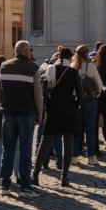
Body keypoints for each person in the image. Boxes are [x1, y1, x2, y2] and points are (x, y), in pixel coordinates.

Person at [0, 40, 43, 195]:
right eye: (30, 50)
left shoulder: (4, 66)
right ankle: (25, 185)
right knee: (25, 150)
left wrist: (2, 106)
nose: (31, 52)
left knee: (7, 149)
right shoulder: (32, 68)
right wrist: (40, 112)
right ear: (25, 52)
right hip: (26, 113)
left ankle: (4, 184)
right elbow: (38, 94)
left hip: (8, 113)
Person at [34, 46, 81, 187]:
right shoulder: (73, 72)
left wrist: (46, 108)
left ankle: (35, 175)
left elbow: (45, 91)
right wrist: (76, 106)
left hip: (53, 110)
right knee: (68, 145)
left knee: (45, 143)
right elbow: (80, 94)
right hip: (68, 110)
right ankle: (64, 177)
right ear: (70, 57)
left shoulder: (50, 69)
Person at [72, 45, 103, 163]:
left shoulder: (73, 66)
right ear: (86, 53)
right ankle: (90, 156)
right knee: (90, 129)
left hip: (76, 101)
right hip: (90, 100)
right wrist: (96, 95)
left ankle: (74, 156)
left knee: (77, 129)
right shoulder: (90, 66)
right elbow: (99, 84)